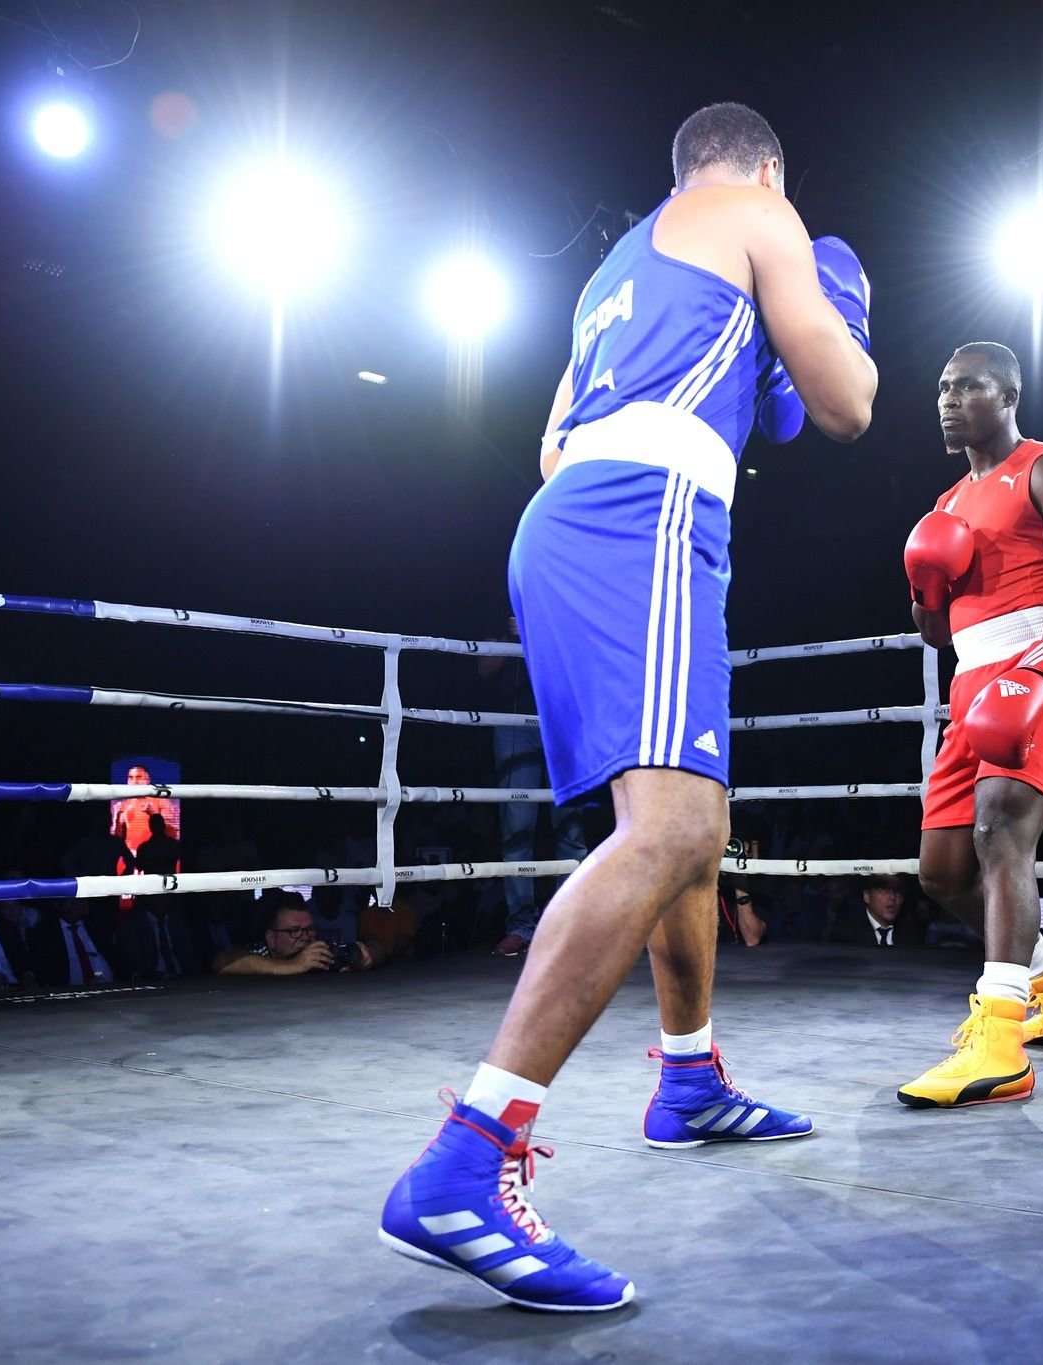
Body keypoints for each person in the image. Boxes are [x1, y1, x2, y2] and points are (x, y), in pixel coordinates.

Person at [380, 101, 876, 1313]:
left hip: (572, 521)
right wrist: (837, 305)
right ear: (766, 167)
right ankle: (464, 1160)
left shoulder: (614, 271)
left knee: (688, 824)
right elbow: (846, 404)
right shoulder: (762, 213)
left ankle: (689, 1079)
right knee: (666, 833)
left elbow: (554, 443)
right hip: (647, 520)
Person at [900, 341, 1043, 1109]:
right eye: (941, 387)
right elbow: (936, 632)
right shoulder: (946, 506)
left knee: (1000, 832)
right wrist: (926, 584)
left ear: (1010, 393)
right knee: (943, 870)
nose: (948, 399)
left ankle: (999, 1042)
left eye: (967, 386)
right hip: (970, 682)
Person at [478, 615, 591, 957]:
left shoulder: (564, 595)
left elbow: (586, 655)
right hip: (514, 723)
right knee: (516, 828)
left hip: (564, 718)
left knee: (571, 827)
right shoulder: (501, 605)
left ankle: (568, 925)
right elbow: (485, 668)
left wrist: (541, 628)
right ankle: (521, 926)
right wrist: (511, 637)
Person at [214, 892, 380, 976]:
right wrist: (293, 965)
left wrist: (364, 957)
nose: (305, 936)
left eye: (309, 929)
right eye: (294, 931)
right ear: (271, 939)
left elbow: (378, 948)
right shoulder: (262, 952)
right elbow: (222, 961)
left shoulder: (321, 951)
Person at [30, 899, 122, 987]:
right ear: (57, 904)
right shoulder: (45, 934)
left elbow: (114, 954)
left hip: (110, 987)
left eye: (78, 900)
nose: (75, 905)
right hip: (72, 994)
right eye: (69, 901)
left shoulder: (95, 925)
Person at [825, 875, 926, 948]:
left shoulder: (910, 934)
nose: (892, 897)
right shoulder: (846, 934)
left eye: (897, 891)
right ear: (867, 896)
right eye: (883, 890)